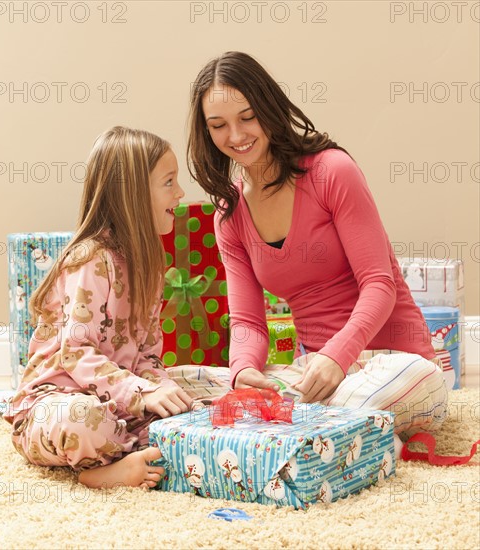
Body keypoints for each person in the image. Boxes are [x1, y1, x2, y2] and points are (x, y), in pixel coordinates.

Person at [186, 51, 448, 442]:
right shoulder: (229, 212)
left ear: (268, 107)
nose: (236, 136)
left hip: (391, 366)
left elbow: (379, 284)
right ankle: (315, 426)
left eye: (247, 117)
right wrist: (243, 372)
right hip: (317, 377)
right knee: (179, 384)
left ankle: (302, 424)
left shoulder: (331, 171)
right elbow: (248, 323)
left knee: (399, 382)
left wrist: (335, 356)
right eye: (219, 125)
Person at [3, 126, 192, 489]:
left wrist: (164, 397)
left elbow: (149, 358)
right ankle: (99, 473)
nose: (180, 193)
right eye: (169, 182)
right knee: (83, 420)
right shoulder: (91, 260)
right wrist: (142, 393)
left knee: (197, 389)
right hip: (54, 405)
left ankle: (134, 444)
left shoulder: (151, 263)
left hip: (119, 399)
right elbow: (75, 353)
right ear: (134, 194)